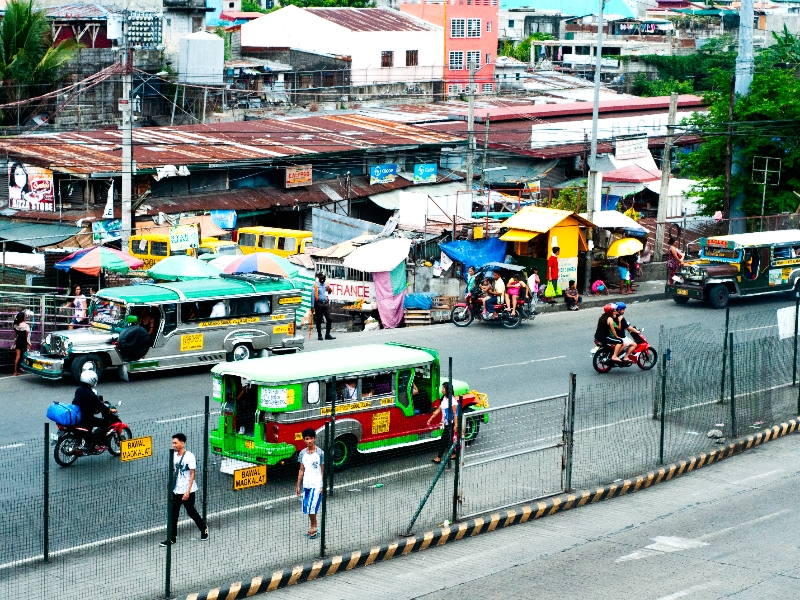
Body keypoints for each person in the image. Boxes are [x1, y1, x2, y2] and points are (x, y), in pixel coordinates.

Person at [161, 433, 209, 546]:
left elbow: (192, 474)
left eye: (175, 443)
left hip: (188, 490)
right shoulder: (173, 455)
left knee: (191, 512)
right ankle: (172, 538)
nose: (174, 445)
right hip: (177, 490)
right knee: (173, 514)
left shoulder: (189, 456)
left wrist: (187, 491)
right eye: (173, 443)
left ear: (182, 443)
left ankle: (204, 529)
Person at [71, 368, 116, 453]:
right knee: (105, 423)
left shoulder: (79, 390)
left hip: (79, 415)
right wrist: (109, 410)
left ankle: (89, 444)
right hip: (86, 418)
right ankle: (99, 444)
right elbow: (100, 405)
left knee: (91, 426)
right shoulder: (91, 394)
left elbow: (85, 402)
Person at [295, 428, 324, 539]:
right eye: (307, 439)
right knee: (306, 507)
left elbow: (323, 470)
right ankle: (313, 525)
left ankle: (314, 527)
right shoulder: (303, 453)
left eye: (311, 438)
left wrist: (322, 485)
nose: (309, 441)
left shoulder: (320, 453)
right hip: (306, 484)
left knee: (312, 507)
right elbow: (301, 470)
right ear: (304, 440)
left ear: (314, 438)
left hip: (316, 485)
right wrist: (298, 485)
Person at [427, 382, 460, 464]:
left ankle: (439, 457)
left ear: (447, 390)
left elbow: (456, 414)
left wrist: (455, 425)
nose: (442, 390)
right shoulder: (444, 398)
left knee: (443, 440)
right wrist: (431, 418)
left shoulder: (453, 401)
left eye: (443, 389)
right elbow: (439, 409)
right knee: (450, 439)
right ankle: (454, 454)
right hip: (446, 423)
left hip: (451, 424)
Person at [313, 273, 335, 341]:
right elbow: (312, 296)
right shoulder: (315, 285)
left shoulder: (326, 284)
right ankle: (319, 335)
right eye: (321, 278)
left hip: (325, 304)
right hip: (318, 304)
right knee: (319, 320)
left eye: (324, 278)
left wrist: (329, 290)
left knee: (329, 319)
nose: (322, 280)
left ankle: (327, 334)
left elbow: (329, 292)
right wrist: (312, 306)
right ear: (319, 278)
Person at [11, 310, 30, 376]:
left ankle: (15, 372)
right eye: (25, 316)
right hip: (24, 342)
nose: (26, 317)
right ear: (22, 317)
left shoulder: (15, 325)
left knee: (17, 356)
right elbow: (27, 336)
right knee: (25, 356)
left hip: (18, 341)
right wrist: (29, 343)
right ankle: (25, 369)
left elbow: (15, 335)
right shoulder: (26, 326)